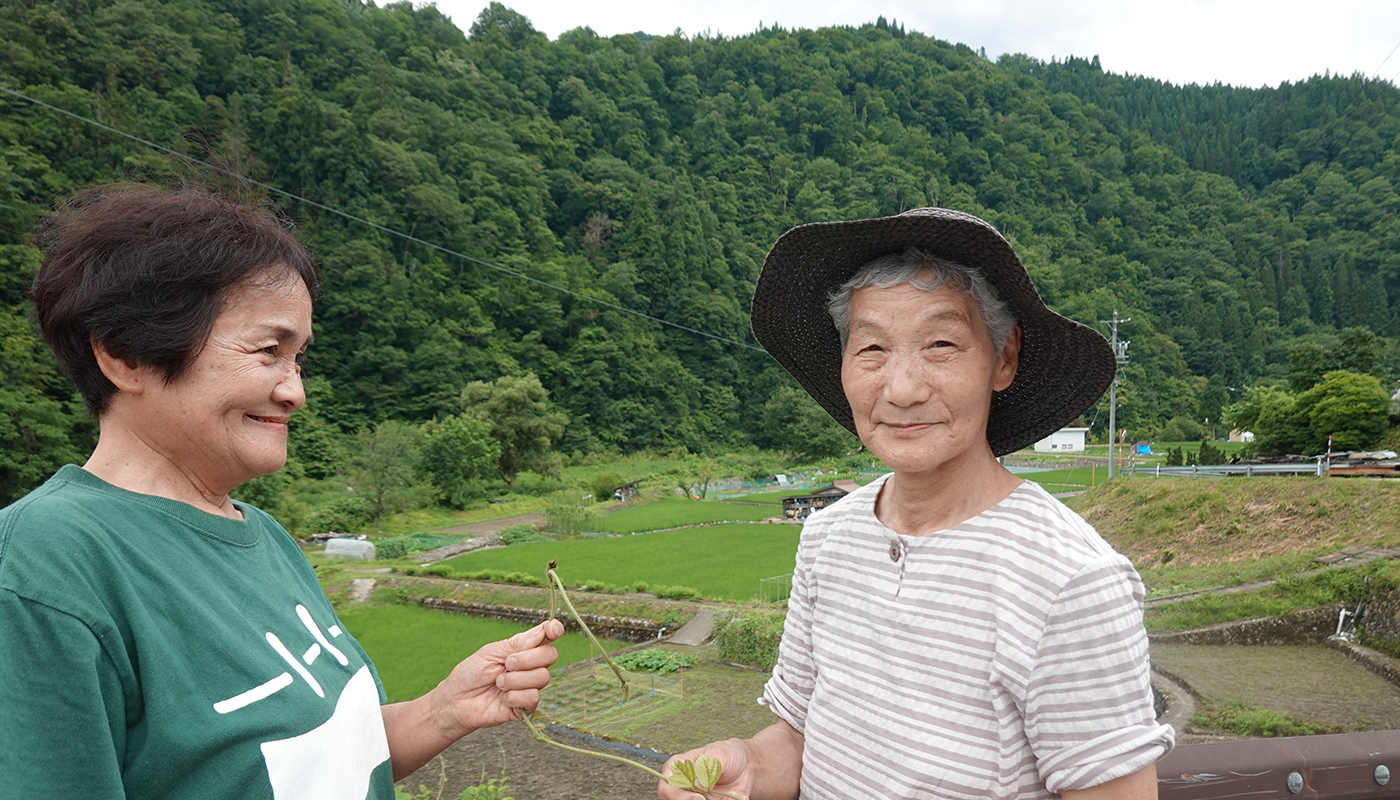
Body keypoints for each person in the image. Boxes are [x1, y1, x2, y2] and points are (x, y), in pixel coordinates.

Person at [0, 185, 564, 799]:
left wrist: (443, 710)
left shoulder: (263, 536)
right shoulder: (45, 568)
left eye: (298, 358)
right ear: (126, 356)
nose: (295, 392)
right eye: (269, 351)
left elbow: (317, 764)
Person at [659, 208, 1173, 800]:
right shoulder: (828, 538)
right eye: (871, 348)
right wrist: (748, 765)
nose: (901, 389)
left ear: (1002, 359)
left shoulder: (1070, 580)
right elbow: (800, 738)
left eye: (942, 344)